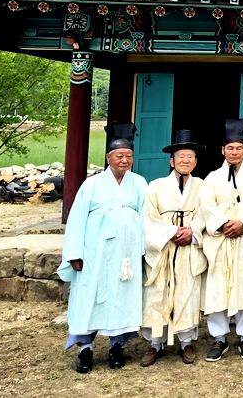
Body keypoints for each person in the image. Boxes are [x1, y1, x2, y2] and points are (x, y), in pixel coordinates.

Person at [58, 123, 148, 373]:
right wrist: (74, 253)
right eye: (119, 156)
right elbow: (77, 219)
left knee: (122, 297)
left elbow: (146, 217)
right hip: (95, 252)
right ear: (109, 158)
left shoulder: (139, 183)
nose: (124, 160)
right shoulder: (92, 184)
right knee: (90, 296)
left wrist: (143, 250)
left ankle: (117, 346)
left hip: (126, 253)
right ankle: (85, 349)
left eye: (128, 156)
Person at [199, 119, 243, 362]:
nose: (234, 152)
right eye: (230, 148)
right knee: (217, 286)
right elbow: (206, 205)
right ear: (222, 150)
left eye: (238, 148)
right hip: (220, 239)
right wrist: (223, 224)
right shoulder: (212, 177)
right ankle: (219, 338)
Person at [140, 129, 207, 367]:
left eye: (190, 156)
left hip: (189, 247)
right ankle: (155, 343)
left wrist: (192, 233)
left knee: (187, 292)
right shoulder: (155, 186)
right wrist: (171, 232)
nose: (185, 160)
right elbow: (149, 218)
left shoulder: (202, 186)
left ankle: (186, 342)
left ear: (195, 161)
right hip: (164, 248)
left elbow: (205, 214)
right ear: (172, 161)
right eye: (181, 156)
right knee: (157, 292)